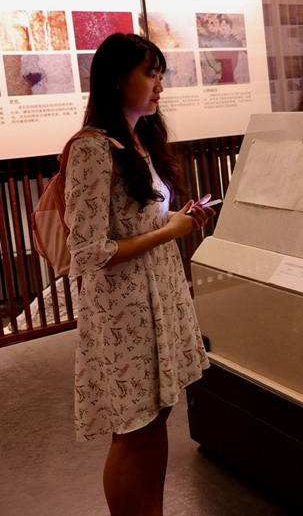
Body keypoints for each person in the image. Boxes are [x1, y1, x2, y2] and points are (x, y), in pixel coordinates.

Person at [64, 33, 215, 516]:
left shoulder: (138, 139)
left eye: (160, 75)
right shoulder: (92, 149)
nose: (159, 86)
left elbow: (140, 221)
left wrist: (178, 219)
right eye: (150, 74)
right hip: (124, 310)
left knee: (158, 416)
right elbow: (88, 252)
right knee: (132, 429)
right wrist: (169, 231)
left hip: (159, 296)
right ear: (116, 79)